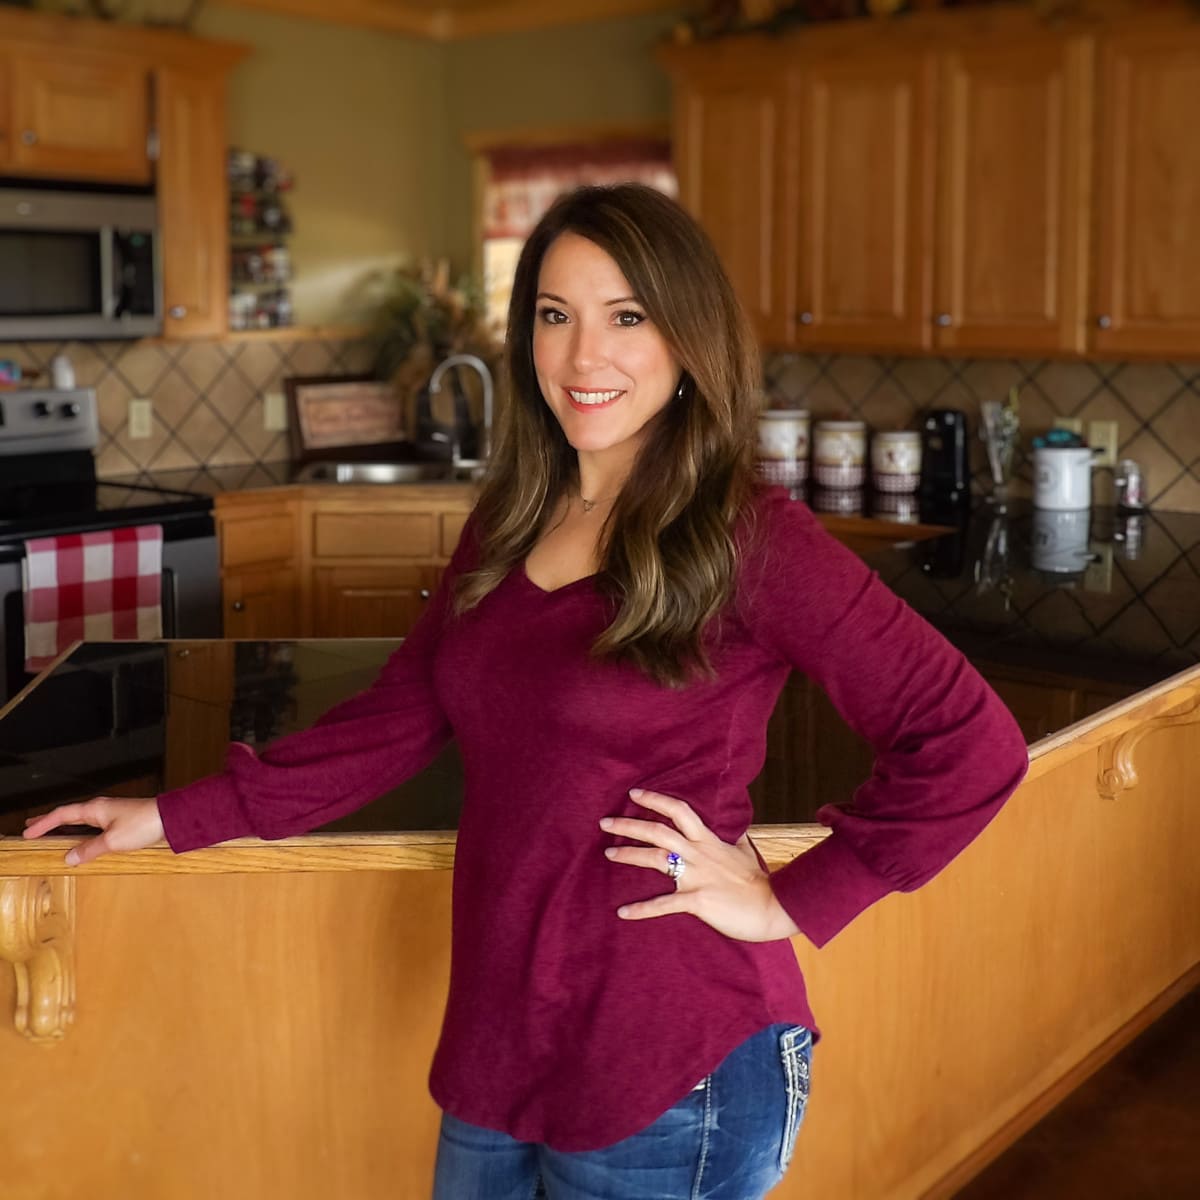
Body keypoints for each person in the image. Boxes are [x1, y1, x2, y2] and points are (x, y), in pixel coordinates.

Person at [24, 183, 1029, 1199]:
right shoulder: (513, 516)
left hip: (676, 1062)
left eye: (626, 317)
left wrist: (794, 899)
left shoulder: (749, 537)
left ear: (690, 340)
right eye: (556, 316)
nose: (583, 356)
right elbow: (399, 716)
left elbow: (970, 741)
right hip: (505, 1048)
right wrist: (175, 813)